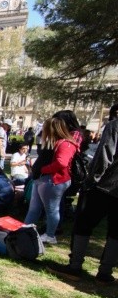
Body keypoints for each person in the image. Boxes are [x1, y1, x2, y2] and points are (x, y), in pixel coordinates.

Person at [48, 103, 118, 283]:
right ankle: (105, 272)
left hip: (105, 186)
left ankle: (75, 266)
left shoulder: (114, 126)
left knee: (84, 223)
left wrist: (91, 181)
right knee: (115, 232)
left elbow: (105, 155)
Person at [24, 118, 78, 245]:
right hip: (42, 179)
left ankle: (50, 235)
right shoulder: (54, 142)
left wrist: (43, 169)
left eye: (45, 128)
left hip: (52, 180)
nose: (43, 131)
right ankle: (24, 229)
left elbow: (61, 162)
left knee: (51, 209)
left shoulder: (65, 144)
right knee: (34, 208)